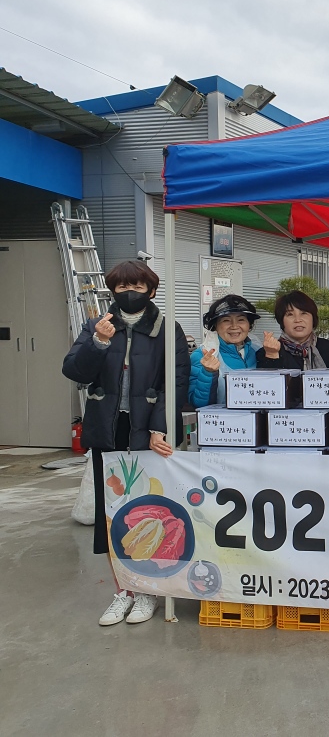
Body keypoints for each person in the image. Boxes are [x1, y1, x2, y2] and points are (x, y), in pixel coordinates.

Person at [61, 259, 188, 626]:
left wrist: (161, 427)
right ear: (112, 290)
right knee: (111, 512)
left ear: (151, 290)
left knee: (148, 510)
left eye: (137, 286)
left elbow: (175, 381)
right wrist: (98, 342)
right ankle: (124, 590)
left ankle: (148, 589)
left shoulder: (168, 329)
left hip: (148, 431)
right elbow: (74, 371)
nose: (129, 293)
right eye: (121, 287)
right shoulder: (97, 325)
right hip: (108, 429)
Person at [189, 294, 278, 407]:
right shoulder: (203, 356)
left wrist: (272, 356)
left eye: (241, 320)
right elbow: (198, 404)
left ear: (249, 325)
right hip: (222, 418)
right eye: (226, 320)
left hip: (257, 417)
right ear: (215, 326)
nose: (234, 326)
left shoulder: (258, 351)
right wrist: (207, 373)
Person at [259, 289, 329, 370]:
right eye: (290, 314)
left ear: (313, 318)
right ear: (281, 321)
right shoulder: (267, 352)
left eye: (303, 313)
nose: (298, 320)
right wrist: (271, 356)